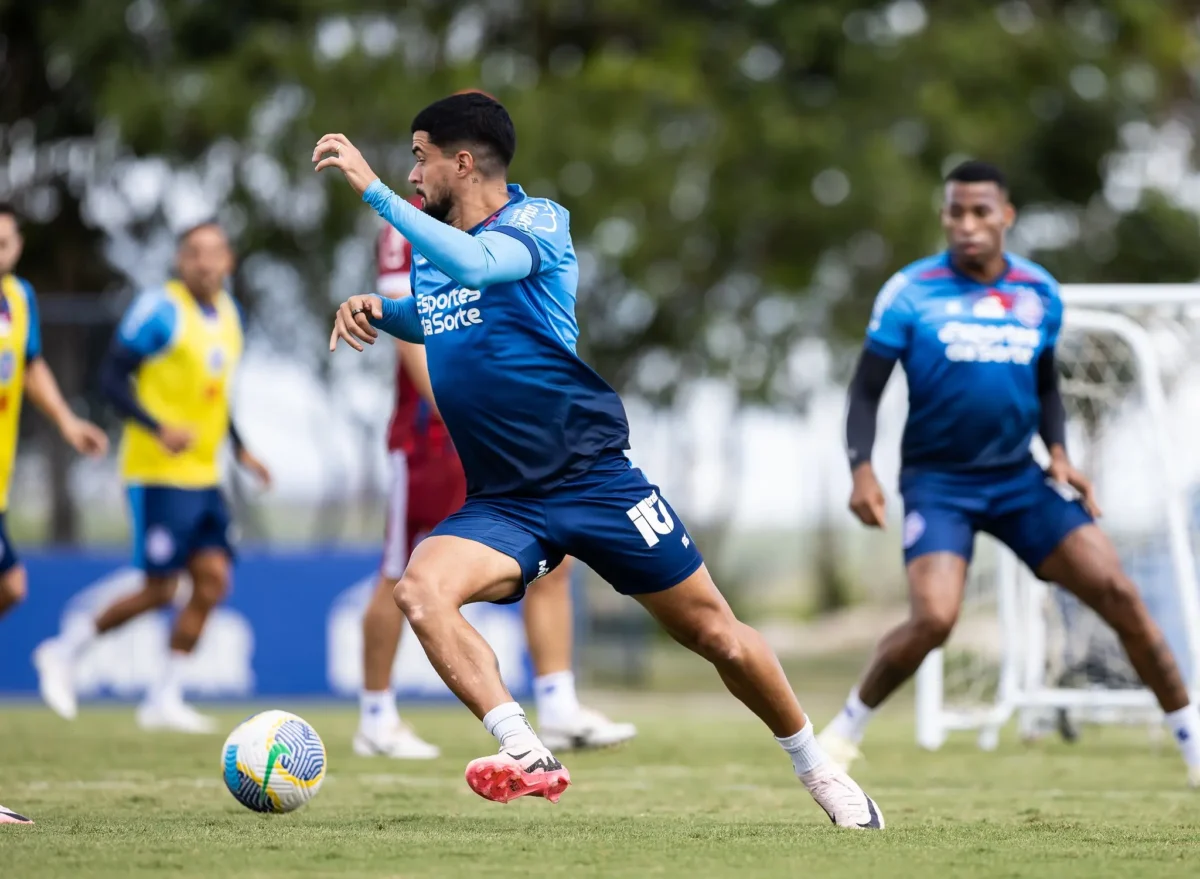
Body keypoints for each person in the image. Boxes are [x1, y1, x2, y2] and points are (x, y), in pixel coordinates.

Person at [315, 92, 882, 827]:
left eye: (419, 156)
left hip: (594, 481)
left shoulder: (536, 222)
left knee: (716, 635)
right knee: (421, 589)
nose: (411, 170)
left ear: (463, 161)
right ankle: (524, 750)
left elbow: (485, 270)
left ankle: (819, 770)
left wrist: (373, 189)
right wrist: (380, 309)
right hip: (504, 501)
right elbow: (451, 315)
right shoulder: (437, 247)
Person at [817, 160, 1200, 787]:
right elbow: (863, 395)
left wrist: (1059, 452)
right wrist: (861, 470)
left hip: (1021, 482)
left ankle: (1192, 742)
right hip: (939, 485)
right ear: (944, 216)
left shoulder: (1038, 292)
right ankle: (847, 730)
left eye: (981, 212)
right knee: (936, 619)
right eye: (955, 212)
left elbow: (1046, 384)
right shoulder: (910, 292)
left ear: (1005, 216)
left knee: (1121, 596)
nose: (967, 225)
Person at [355, 221, 636, 758]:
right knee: (402, 570)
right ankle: (376, 715)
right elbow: (411, 328)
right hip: (433, 437)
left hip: (505, 434)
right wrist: (454, 414)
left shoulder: (510, 223)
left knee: (560, 554)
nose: (418, 171)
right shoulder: (405, 228)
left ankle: (557, 706)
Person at [34, 221, 271, 733]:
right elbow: (111, 378)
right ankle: (65, 647)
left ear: (227, 261)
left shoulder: (231, 315)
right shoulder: (159, 311)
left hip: (205, 474)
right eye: (193, 253)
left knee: (212, 581)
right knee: (162, 589)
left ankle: (164, 696)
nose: (204, 263)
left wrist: (241, 448)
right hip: (158, 473)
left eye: (213, 253)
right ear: (180, 262)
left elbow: (215, 393)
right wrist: (156, 427)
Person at [0, 202, 108, 828]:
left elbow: (31, 362)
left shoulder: (18, 297)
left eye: (8, 240)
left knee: (11, 586)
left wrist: (67, 422)